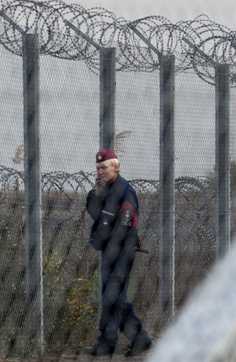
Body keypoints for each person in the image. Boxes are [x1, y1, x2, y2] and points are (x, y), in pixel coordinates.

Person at [83, 149, 154, 357]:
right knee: (115, 298)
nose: (100, 171)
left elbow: (127, 223)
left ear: (116, 166)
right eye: (98, 168)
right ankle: (140, 339)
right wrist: (96, 192)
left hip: (121, 253)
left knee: (112, 297)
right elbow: (96, 213)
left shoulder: (124, 191)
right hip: (109, 252)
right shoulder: (107, 189)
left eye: (104, 167)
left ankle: (107, 344)